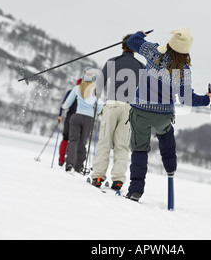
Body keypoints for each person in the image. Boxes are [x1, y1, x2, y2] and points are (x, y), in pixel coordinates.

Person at [125, 28, 211, 201]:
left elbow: (131, 42)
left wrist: (140, 34)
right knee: (167, 140)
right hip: (163, 115)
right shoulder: (184, 69)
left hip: (140, 112)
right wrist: (208, 99)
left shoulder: (153, 51)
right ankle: (170, 170)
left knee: (139, 149)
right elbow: (186, 99)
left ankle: (135, 190)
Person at [91, 34, 145, 190]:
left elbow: (99, 87)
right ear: (135, 48)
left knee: (105, 141)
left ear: (122, 46)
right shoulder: (141, 66)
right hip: (129, 109)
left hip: (112, 105)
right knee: (122, 145)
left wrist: (97, 94)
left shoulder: (112, 61)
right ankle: (118, 180)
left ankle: (99, 176)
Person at [62, 67, 103, 174]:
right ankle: (78, 166)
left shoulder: (77, 88)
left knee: (73, 140)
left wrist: (63, 106)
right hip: (89, 119)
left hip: (77, 116)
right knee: (83, 142)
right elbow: (99, 108)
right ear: (94, 78)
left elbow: (66, 104)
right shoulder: (96, 90)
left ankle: (70, 163)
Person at [57, 78, 82, 167]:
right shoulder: (85, 94)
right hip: (79, 117)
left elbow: (63, 105)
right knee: (75, 140)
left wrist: (60, 115)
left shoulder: (71, 92)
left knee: (65, 138)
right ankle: (71, 162)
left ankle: (61, 160)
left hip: (69, 116)